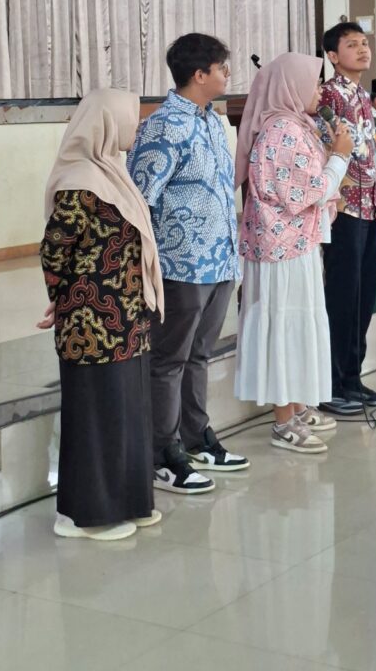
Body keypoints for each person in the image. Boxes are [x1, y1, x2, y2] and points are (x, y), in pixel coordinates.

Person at [39, 89, 164, 541]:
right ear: (107, 122)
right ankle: (84, 515)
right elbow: (54, 252)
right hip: (92, 323)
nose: (136, 126)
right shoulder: (80, 180)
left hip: (127, 318)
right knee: (97, 415)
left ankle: (130, 500)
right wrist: (64, 298)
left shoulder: (113, 173)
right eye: (131, 117)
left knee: (127, 410)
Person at [128, 33, 248, 495]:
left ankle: (196, 437)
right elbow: (140, 199)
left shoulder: (213, 121)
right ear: (200, 75)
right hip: (181, 265)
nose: (227, 75)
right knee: (169, 360)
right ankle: (163, 453)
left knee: (200, 354)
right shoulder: (164, 127)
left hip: (219, 260)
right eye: (222, 69)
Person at [234, 54, 353, 453]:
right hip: (280, 248)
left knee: (297, 323)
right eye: (314, 84)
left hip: (296, 242)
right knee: (283, 328)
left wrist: (332, 148)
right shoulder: (281, 131)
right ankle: (284, 420)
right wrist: (339, 156)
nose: (319, 92)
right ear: (290, 86)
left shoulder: (297, 125)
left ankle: (297, 407)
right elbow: (309, 191)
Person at [319, 23, 376, 415]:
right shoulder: (328, 95)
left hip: (371, 206)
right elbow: (327, 146)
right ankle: (333, 382)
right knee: (342, 298)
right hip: (344, 209)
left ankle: (353, 377)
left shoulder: (362, 94)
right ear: (332, 55)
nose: (363, 49)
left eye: (365, 43)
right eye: (352, 45)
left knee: (364, 296)